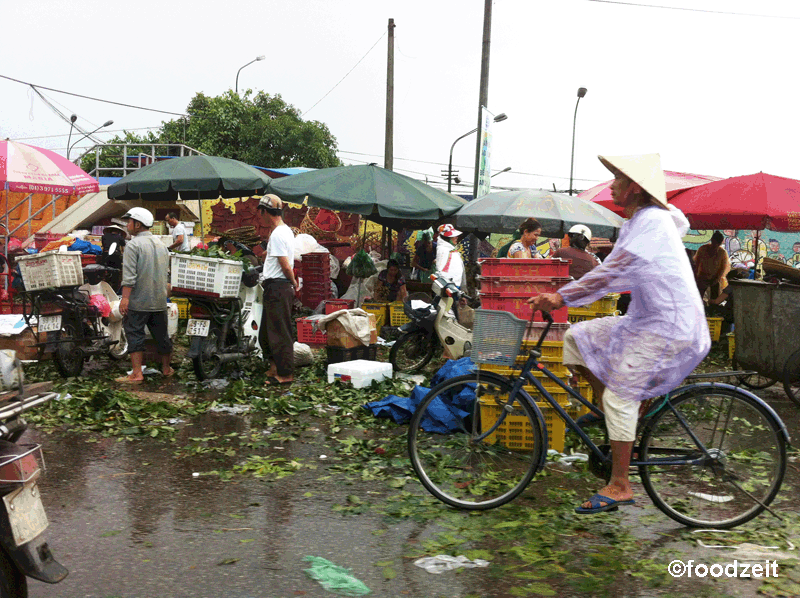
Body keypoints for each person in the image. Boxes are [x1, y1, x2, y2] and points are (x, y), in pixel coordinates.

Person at [527, 154, 710, 515]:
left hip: (667, 326)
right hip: (645, 320)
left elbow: (613, 271)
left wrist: (561, 296)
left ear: (636, 189)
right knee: (578, 338)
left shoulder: (653, 221)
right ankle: (608, 411)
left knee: (619, 399)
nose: (611, 185)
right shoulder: (648, 220)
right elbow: (629, 259)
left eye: (618, 180)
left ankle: (621, 484)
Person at [115, 207, 174, 385]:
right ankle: (166, 369)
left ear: (138, 224)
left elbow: (129, 276)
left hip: (139, 301)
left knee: (134, 334)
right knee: (162, 335)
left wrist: (125, 299)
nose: (127, 225)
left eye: (129, 222)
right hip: (159, 300)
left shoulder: (133, 245)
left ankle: (136, 373)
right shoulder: (161, 245)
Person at [257, 195, 298, 386]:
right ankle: (274, 368)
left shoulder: (279, 234)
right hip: (274, 287)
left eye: (260, 212)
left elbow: (286, 266)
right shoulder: (282, 232)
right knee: (266, 332)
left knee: (280, 333)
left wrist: (294, 282)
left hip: (279, 286)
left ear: (265, 212)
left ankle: (286, 374)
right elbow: (276, 256)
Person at [693, 231, 730, 300]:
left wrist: (716, 279)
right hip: (702, 278)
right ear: (711, 240)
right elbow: (696, 264)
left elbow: (723, 269)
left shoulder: (722, 252)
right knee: (698, 298)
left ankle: (712, 308)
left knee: (714, 299)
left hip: (715, 279)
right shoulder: (703, 249)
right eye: (714, 242)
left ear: (720, 243)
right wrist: (696, 278)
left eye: (717, 243)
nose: (715, 245)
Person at [435, 224, 466, 288]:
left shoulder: (450, 250)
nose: (456, 237)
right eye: (453, 236)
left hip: (454, 285)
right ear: (446, 238)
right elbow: (441, 270)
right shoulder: (443, 250)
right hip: (449, 286)